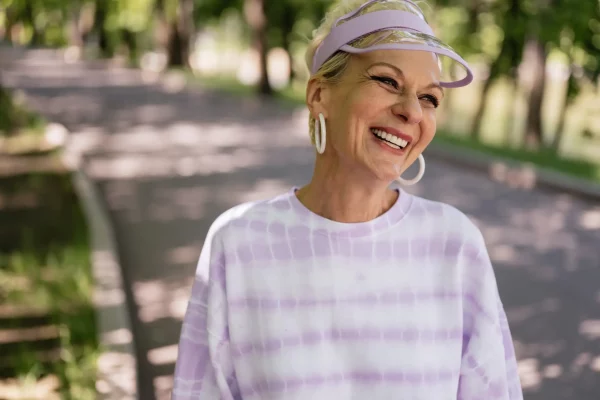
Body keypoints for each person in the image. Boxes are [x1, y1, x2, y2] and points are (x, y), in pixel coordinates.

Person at [171, 0, 523, 399]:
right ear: (320, 94)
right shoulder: (237, 242)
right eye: (388, 81)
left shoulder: (455, 244)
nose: (411, 111)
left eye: (429, 98)